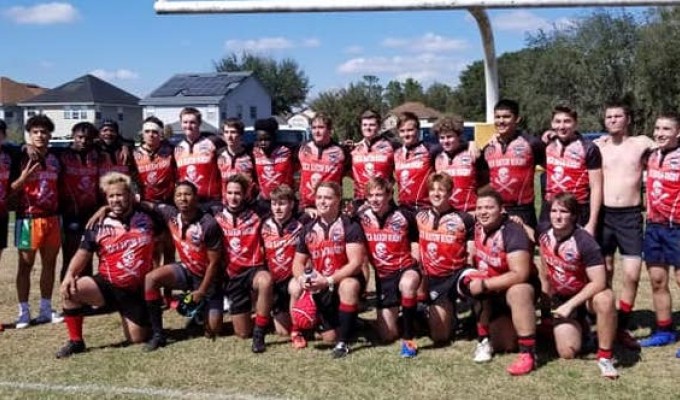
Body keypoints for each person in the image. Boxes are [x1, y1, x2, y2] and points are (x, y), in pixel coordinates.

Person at [55, 172, 155, 358]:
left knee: (138, 339)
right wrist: (69, 275)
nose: (115, 200)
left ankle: (132, 314)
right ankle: (76, 341)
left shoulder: (148, 217)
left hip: (136, 290)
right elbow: (83, 253)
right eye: (111, 196)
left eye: (120, 195)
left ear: (130, 196)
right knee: (71, 290)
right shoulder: (98, 223)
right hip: (107, 284)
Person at [536, 192, 618, 378]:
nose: (557, 216)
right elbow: (545, 274)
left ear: (573, 216)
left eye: (563, 212)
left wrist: (570, 305)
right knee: (567, 352)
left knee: (606, 298)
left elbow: (599, 282)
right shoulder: (543, 233)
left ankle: (605, 357)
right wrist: (546, 313)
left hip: (585, 297)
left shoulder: (585, 241)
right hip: (561, 297)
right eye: (554, 211)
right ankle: (584, 330)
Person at [594, 101, 654, 349]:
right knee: (604, 271)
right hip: (604, 215)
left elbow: (669, 141)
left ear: (627, 119)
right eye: (609, 116)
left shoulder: (642, 143)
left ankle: (622, 324)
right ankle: (606, 316)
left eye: (618, 116)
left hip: (630, 216)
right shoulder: (597, 145)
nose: (613, 120)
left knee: (631, 273)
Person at [459, 188, 537, 375]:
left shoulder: (512, 230)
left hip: (512, 289)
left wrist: (485, 284)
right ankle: (483, 339)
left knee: (519, 290)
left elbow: (520, 274)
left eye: (489, 207)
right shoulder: (475, 226)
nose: (483, 212)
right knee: (506, 344)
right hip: (492, 292)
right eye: (479, 208)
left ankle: (528, 354)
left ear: (502, 210)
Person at [142, 181, 224, 351]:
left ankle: (200, 309)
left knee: (212, 331)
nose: (183, 198)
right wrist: (104, 209)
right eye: (178, 195)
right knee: (151, 278)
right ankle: (158, 334)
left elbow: (214, 263)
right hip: (187, 270)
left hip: (208, 279)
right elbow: (145, 204)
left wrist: (201, 291)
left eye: (187, 194)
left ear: (196, 197)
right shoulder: (171, 214)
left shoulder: (208, 224)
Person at [292, 181, 368, 358]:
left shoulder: (350, 225)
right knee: (328, 337)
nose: (322, 202)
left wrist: (329, 280)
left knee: (348, 286)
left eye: (328, 197)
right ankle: (348, 322)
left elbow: (356, 263)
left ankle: (343, 343)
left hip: (343, 280)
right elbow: (297, 264)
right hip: (322, 284)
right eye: (319, 197)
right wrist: (302, 278)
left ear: (338, 200)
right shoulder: (308, 229)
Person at [358, 177, 421, 357]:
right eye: (370, 195)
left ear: (389, 195)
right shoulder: (362, 216)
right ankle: (414, 316)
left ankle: (408, 340)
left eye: (379, 194)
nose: (375, 199)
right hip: (384, 275)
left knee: (408, 284)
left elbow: (416, 240)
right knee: (387, 335)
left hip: (405, 268)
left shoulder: (405, 215)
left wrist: (416, 264)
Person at [11, 115, 63, 328]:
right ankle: (23, 311)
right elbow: (10, 190)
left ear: (50, 134)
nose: (40, 136)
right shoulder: (19, 157)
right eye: (35, 132)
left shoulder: (56, 157)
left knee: (49, 265)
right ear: (29, 135)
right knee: (25, 266)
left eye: (44, 132)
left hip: (52, 218)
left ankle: (45, 308)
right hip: (27, 219)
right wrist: (23, 179)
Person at [212, 173, 273, 353]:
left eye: (237, 193)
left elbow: (284, 207)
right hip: (232, 275)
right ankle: (262, 312)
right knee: (242, 333)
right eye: (230, 192)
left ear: (246, 193)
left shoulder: (259, 211)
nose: (233, 197)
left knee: (266, 280)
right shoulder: (215, 214)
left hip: (253, 269)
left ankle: (260, 333)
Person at [416, 172, 474, 345]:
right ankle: (422, 309)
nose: (436, 194)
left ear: (450, 193)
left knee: (440, 337)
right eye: (432, 190)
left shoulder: (464, 219)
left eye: (441, 190)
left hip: (452, 278)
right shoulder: (419, 216)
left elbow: (472, 254)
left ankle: (468, 315)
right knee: (436, 334)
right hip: (428, 278)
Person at [639, 113, 680, 353]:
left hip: (677, 228)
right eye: (657, 128)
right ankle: (664, 330)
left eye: (666, 129)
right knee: (657, 280)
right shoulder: (651, 155)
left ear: (677, 133)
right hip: (654, 226)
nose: (660, 133)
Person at [479, 99, 545, 228]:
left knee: (522, 247)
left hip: (523, 210)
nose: (501, 121)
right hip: (495, 209)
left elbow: (551, 168)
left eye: (506, 117)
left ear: (517, 119)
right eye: (497, 117)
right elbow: (481, 179)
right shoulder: (488, 148)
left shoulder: (532, 143)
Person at [541, 106, 603, 235]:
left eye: (567, 121)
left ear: (575, 123)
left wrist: (592, 222)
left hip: (578, 208)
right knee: (548, 247)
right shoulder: (547, 144)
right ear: (552, 124)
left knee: (577, 252)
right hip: (551, 207)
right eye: (557, 121)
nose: (562, 126)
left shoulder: (589, 148)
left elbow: (596, 187)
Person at [260, 184, 304, 341]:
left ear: (292, 204)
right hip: (274, 282)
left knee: (296, 287)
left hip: (292, 279)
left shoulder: (301, 226)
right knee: (281, 332)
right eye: (274, 203)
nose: (277, 208)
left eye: (282, 203)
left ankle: (297, 330)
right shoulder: (264, 226)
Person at [133, 116, 177, 269]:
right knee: (153, 250)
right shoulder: (134, 154)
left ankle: (169, 290)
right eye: (147, 131)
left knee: (169, 248)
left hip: (168, 205)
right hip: (147, 206)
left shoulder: (170, 151)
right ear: (142, 134)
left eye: (155, 132)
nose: (151, 135)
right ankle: (154, 290)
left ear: (161, 134)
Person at [58, 122, 100, 281]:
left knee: (87, 256)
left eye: (87, 138)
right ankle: (68, 298)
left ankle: (84, 296)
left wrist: (124, 145)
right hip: (70, 214)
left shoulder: (96, 154)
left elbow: (118, 143)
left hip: (91, 213)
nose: (83, 141)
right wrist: (26, 147)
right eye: (80, 137)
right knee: (70, 256)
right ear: (73, 136)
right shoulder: (61, 154)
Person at [298, 114, 348, 215]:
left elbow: (349, 179)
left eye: (321, 127)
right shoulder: (303, 148)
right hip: (307, 208)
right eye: (314, 128)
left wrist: (347, 201)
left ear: (330, 130)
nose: (317, 131)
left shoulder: (341, 151)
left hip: (331, 207)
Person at [433, 114, 483, 213]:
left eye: (450, 137)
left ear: (459, 136)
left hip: (469, 211)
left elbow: (486, 182)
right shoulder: (437, 157)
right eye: (442, 138)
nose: (445, 141)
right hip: (447, 213)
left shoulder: (472, 153)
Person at [174, 107, 224, 204]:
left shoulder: (213, 142)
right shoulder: (177, 148)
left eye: (192, 122)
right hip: (188, 202)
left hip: (212, 201)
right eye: (185, 122)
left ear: (199, 123)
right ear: (181, 123)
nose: (188, 126)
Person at [350, 110, 396, 210]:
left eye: (372, 125)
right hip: (360, 202)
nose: (368, 128)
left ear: (379, 127)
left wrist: (388, 187)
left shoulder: (392, 146)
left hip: (384, 202)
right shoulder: (354, 149)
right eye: (365, 125)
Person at [394, 112, 440, 212]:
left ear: (418, 131)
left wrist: (469, 144)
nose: (406, 134)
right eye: (402, 131)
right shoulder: (396, 153)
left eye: (410, 130)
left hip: (425, 209)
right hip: (403, 209)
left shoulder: (430, 149)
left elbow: (452, 145)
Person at [252, 117, 296, 214]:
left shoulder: (288, 151)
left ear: (274, 137)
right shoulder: (254, 152)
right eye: (259, 140)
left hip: (284, 203)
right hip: (264, 203)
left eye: (267, 139)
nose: (263, 143)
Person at [216, 118, 256, 204]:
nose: (229, 136)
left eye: (233, 132)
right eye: (226, 132)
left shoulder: (250, 154)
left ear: (241, 135)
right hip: (226, 203)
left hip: (247, 203)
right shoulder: (218, 154)